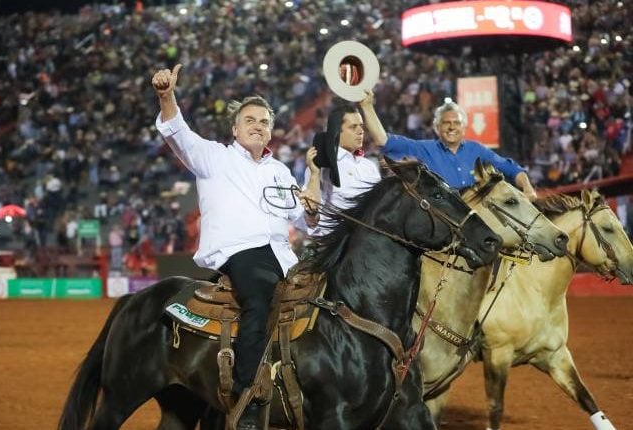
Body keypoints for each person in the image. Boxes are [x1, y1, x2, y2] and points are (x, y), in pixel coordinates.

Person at [152, 64, 320, 429]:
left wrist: (312, 195)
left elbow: (305, 218)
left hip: (284, 256)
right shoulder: (214, 157)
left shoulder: (280, 172)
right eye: (251, 120)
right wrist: (167, 96)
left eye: (264, 121)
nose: (258, 125)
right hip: (240, 253)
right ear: (235, 128)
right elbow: (177, 132)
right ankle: (247, 399)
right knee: (259, 300)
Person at [360, 91, 538, 200]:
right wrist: (367, 106)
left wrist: (528, 187)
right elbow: (383, 141)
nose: (452, 127)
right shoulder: (424, 149)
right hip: (441, 226)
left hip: (477, 223)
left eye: (456, 123)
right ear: (437, 127)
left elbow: (511, 168)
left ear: (464, 127)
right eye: (446, 123)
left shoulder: (477, 150)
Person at [305, 103, 381, 235]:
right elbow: (312, 220)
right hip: (337, 243)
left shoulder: (370, 166)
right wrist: (314, 175)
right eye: (353, 127)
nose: (361, 131)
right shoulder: (322, 165)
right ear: (336, 132)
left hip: (370, 241)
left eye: (361, 126)